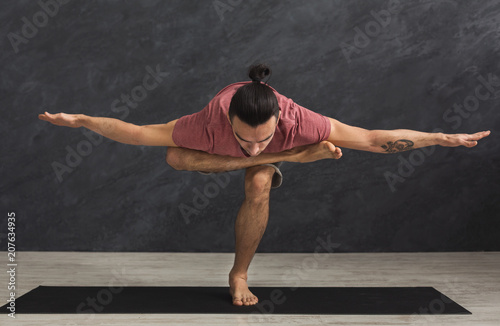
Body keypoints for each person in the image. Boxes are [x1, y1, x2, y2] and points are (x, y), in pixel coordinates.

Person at [38, 64, 491, 306]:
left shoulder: (301, 120)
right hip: (233, 148)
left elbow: (372, 139)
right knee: (175, 156)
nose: (253, 147)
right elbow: (134, 131)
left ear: (280, 119)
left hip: (284, 144)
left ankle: (238, 275)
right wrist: (81, 121)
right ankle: (291, 159)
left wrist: (440, 137)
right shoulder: (205, 124)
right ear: (226, 122)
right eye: (244, 139)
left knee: (257, 182)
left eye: (264, 138)